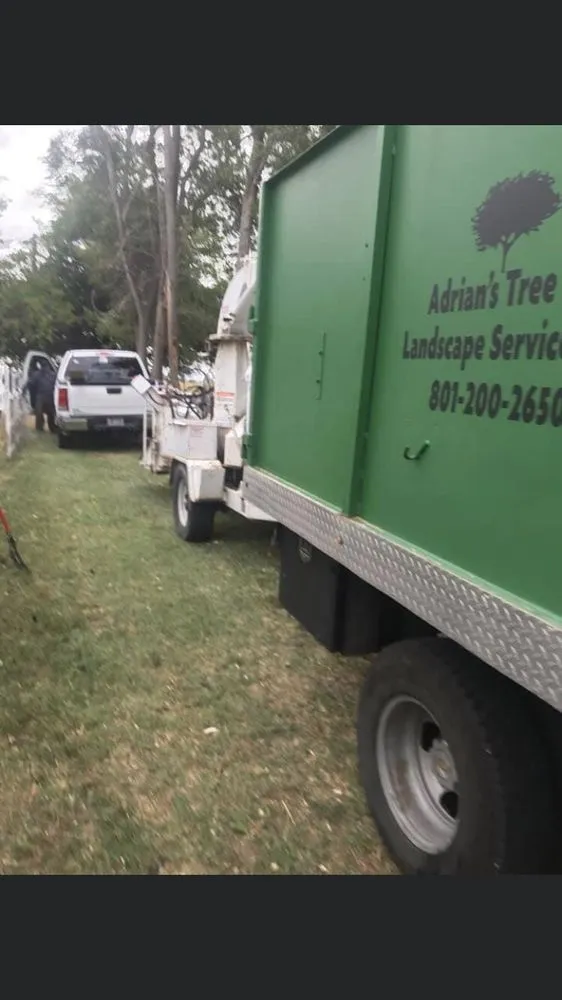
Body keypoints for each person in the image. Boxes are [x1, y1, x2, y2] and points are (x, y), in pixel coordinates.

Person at [23, 361, 57, 432]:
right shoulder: (52, 375)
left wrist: (24, 391)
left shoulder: (38, 374)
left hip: (44, 396)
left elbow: (29, 383)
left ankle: (44, 427)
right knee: (48, 413)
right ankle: (48, 428)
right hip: (48, 396)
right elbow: (30, 383)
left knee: (43, 413)